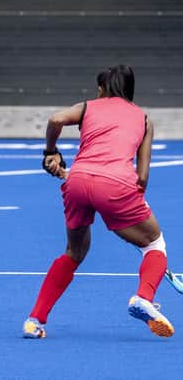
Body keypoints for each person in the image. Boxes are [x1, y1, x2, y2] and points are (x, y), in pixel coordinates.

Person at [23, 65, 174, 338]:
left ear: (102, 89)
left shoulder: (88, 107)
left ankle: (35, 320)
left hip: (78, 181)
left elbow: (56, 119)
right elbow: (141, 177)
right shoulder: (144, 120)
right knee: (154, 243)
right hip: (117, 186)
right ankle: (144, 297)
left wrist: (51, 151)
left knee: (74, 252)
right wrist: (135, 201)